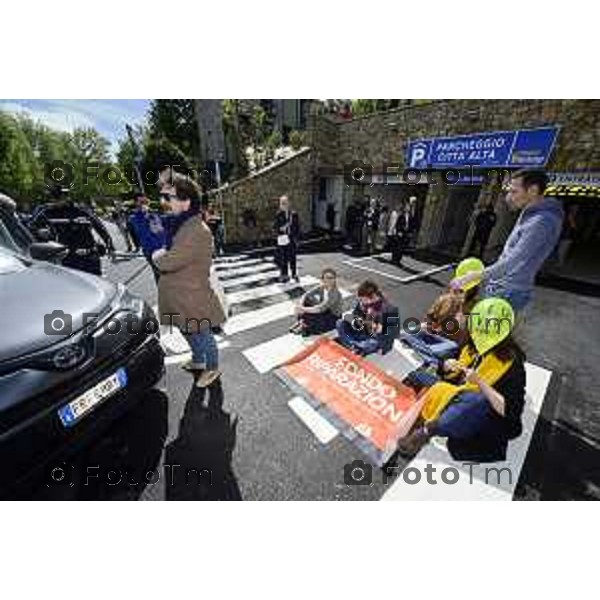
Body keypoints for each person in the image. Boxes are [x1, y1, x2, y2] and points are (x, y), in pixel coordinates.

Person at [399, 298, 526, 463]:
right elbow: (450, 373)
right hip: (458, 394)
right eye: (478, 327)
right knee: (419, 375)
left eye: (487, 329)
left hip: (485, 411)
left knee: (476, 400)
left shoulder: (512, 364)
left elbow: (510, 411)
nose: (480, 333)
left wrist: (480, 382)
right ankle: (409, 410)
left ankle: (427, 431)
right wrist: (446, 366)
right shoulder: (471, 345)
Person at [450, 170, 564, 312]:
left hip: (508, 291)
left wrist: (471, 277)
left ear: (533, 190)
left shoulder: (541, 221)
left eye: (514, 192)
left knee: (484, 332)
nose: (508, 198)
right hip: (503, 287)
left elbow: (514, 260)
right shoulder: (531, 213)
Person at [153, 175, 226, 388]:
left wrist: (157, 255)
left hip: (191, 296)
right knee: (187, 330)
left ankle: (212, 368)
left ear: (186, 202)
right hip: (180, 295)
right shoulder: (180, 225)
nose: (164, 201)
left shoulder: (195, 230)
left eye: (169, 196)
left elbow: (167, 261)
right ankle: (198, 360)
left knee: (202, 333)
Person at [30, 190, 115, 275]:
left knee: (96, 283)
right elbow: (31, 226)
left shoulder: (81, 210)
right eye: (54, 198)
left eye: (61, 197)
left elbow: (100, 227)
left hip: (89, 256)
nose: (57, 201)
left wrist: (110, 247)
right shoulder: (46, 212)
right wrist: (39, 231)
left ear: (67, 197)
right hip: (66, 257)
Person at [336, 280, 399, 356]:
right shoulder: (363, 304)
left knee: (370, 344)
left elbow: (393, 333)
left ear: (372, 297)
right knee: (340, 323)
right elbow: (355, 315)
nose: (361, 301)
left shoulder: (390, 310)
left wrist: (376, 327)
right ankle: (354, 346)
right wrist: (355, 319)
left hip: (376, 339)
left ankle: (353, 345)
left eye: (363, 299)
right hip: (362, 332)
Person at [290, 268, 343, 336]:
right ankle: (302, 323)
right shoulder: (322, 287)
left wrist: (302, 309)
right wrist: (301, 305)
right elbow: (306, 295)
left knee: (310, 317)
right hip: (324, 311)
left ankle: (304, 325)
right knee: (306, 302)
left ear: (335, 279)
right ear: (323, 279)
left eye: (331, 278)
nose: (329, 280)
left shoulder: (335, 293)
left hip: (333, 317)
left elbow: (320, 309)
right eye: (326, 278)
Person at [128, 192, 166, 282]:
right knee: (161, 275)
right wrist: (145, 214)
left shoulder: (154, 214)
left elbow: (161, 229)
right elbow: (144, 231)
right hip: (151, 252)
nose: (144, 204)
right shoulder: (134, 218)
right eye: (141, 202)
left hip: (163, 248)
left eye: (145, 201)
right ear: (136, 203)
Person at [273, 195, 300, 283]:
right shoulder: (278, 214)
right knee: (283, 257)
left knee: (292, 257)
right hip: (283, 239)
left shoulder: (294, 214)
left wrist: (297, 239)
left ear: (288, 203)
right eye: (282, 203)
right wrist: (281, 229)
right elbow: (275, 227)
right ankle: (284, 274)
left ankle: (294, 273)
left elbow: (297, 227)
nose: (283, 204)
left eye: (285, 203)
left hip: (291, 238)